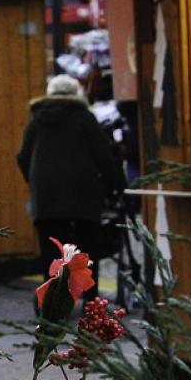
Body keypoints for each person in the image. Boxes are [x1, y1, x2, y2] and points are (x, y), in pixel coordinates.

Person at [17, 74, 126, 300]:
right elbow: (103, 155)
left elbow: (23, 156)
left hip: (46, 199)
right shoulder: (84, 118)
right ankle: (90, 303)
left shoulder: (36, 120)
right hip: (84, 197)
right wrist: (116, 185)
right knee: (85, 253)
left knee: (51, 255)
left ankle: (49, 306)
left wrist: (37, 183)